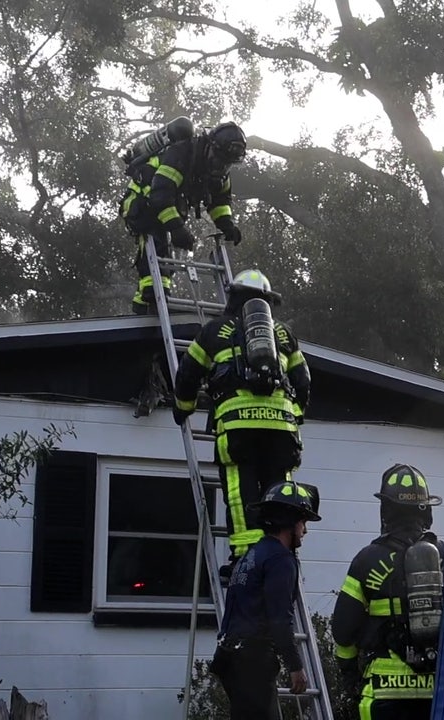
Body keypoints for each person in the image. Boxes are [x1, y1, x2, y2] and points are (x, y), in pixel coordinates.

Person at [171, 269, 311, 576]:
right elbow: (303, 382)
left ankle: (247, 559)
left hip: (238, 427)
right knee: (280, 490)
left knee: (240, 488)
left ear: (233, 296)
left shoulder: (214, 331)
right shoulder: (284, 334)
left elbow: (188, 374)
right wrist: (294, 415)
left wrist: (183, 408)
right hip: (282, 430)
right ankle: (283, 555)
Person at [330, 463, 444, 719]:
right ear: (425, 510)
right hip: (443, 694)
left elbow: (343, 630)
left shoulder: (367, 560)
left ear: (386, 509)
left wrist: (350, 677)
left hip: (385, 696)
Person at [210, 481, 321, 720]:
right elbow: (280, 619)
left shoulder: (252, 555)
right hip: (252, 661)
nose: (305, 530)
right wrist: (295, 666)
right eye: (303, 522)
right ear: (289, 522)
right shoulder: (281, 560)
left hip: (230, 656)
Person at [120, 119, 247, 313]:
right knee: (157, 241)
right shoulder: (182, 154)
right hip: (141, 201)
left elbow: (220, 201)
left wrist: (227, 225)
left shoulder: (218, 171)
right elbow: (160, 194)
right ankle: (152, 298)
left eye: (227, 164)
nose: (221, 166)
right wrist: (177, 228)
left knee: (163, 253)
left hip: (163, 204)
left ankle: (146, 303)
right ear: (210, 148)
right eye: (219, 160)